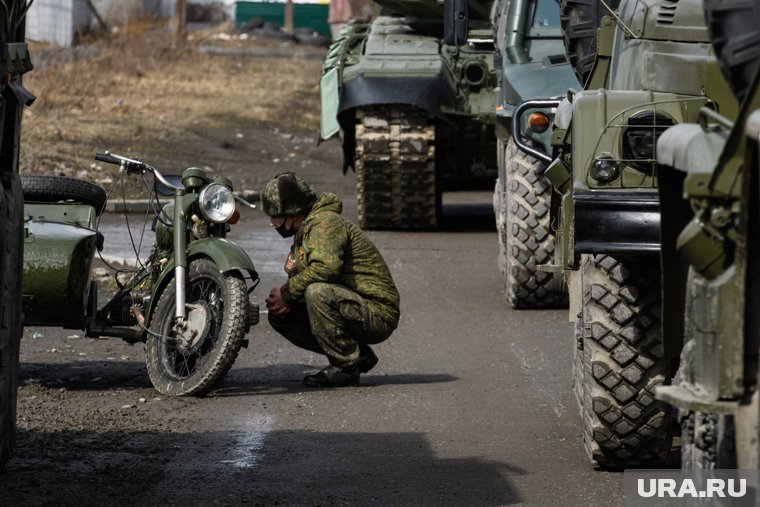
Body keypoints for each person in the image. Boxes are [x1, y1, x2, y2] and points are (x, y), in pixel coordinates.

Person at [262, 172, 400, 387]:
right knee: (281, 316)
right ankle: (358, 355)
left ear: (293, 212)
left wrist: (287, 293)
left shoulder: (325, 224)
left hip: (377, 313)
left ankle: (345, 366)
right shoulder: (307, 230)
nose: (272, 223)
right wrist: (285, 300)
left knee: (317, 292)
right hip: (351, 304)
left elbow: (326, 269)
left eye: (275, 215)